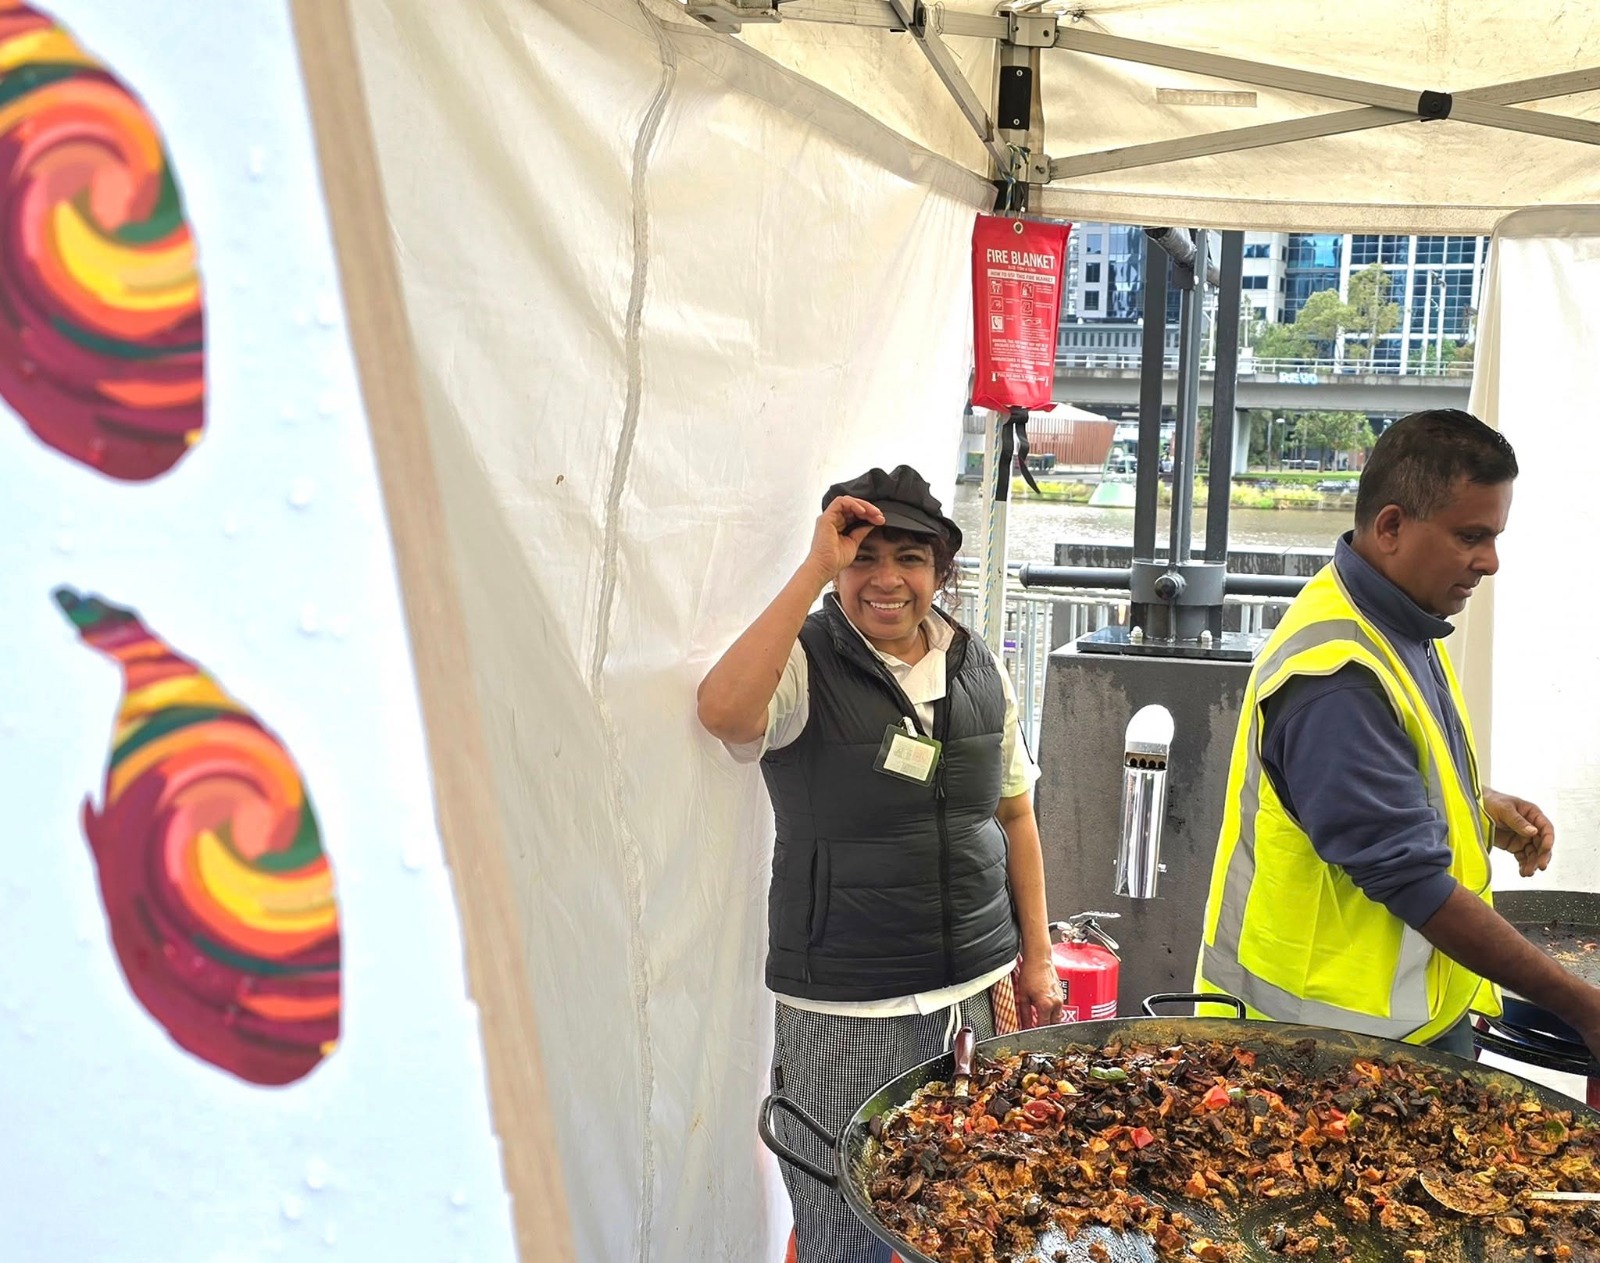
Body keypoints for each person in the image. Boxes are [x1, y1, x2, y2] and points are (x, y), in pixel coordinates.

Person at [697, 464, 1062, 1263]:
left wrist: (1036, 960)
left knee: (975, 1205)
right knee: (847, 1221)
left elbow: (1016, 813)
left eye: (911, 557)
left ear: (940, 570)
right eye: (864, 557)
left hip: (975, 988)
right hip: (846, 1007)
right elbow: (723, 710)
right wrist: (812, 570)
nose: (887, 579)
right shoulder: (803, 662)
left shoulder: (977, 665)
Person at [1197, 408, 1600, 1061]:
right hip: (1326, 1049)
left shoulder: (1392, 611)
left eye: (1495, 536)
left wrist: (1477, 803)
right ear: (1390, 526)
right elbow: (1413, 882)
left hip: (1402, 1026)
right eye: (1471, 535)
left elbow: (1387, 767)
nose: (1490, 561)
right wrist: (1583, 1006)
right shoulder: (1338, 676)